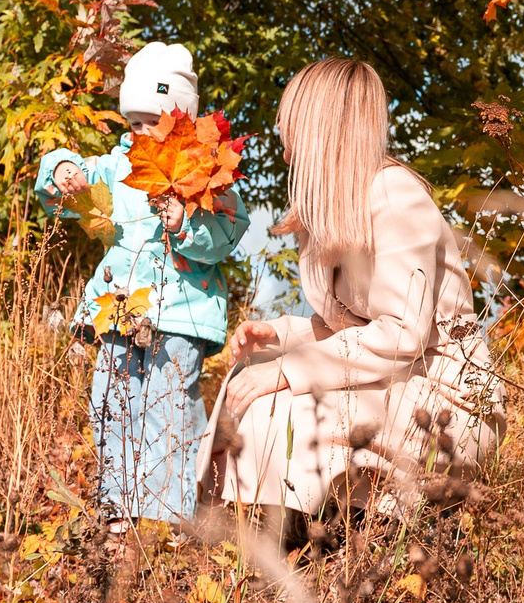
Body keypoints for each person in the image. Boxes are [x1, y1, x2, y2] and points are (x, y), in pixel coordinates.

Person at [207, 57, 500, 543]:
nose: (280, 132)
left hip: (446, 399)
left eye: (290, 115)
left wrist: (286, 370)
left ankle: (364, 542)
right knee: (247, 397)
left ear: (318, 124)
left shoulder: (394, 195)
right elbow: (354, 330)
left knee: (281, 407)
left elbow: (402, 334)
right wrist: (283, 334)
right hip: (395, 379)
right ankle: (282, 542)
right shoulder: (330, 212)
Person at [36, 42, 245, 528]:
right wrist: (62, 171)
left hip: (180, 316)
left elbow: (225, 236)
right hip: (120, 310)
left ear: (183, 121)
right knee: (112, 405)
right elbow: (68, 190)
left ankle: (166, 522)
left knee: (165, 411)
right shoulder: (118, 167)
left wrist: (184, 224)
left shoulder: (207, 174)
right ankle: (116, 511)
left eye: (155, 121)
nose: (142, 134)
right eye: (134, 123)